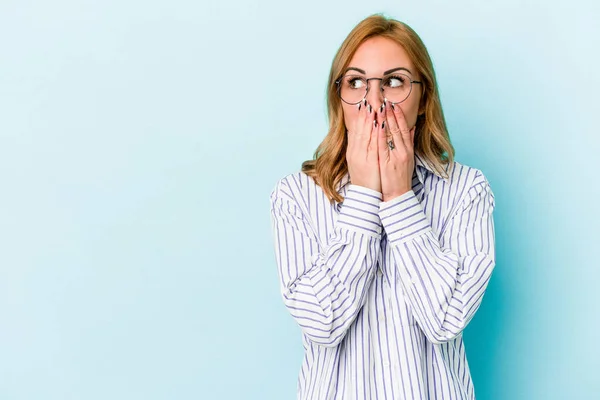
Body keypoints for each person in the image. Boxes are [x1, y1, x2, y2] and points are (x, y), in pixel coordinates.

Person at [269, 13, 496, 400]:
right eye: (356, 82)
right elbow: (322, 323)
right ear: (339, 99)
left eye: (394, 82)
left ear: (423, 99)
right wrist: (362, 196)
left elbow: (445, 320)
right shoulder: (295, 196)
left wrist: (399, 197)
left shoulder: (466, 190)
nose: (374, 103)